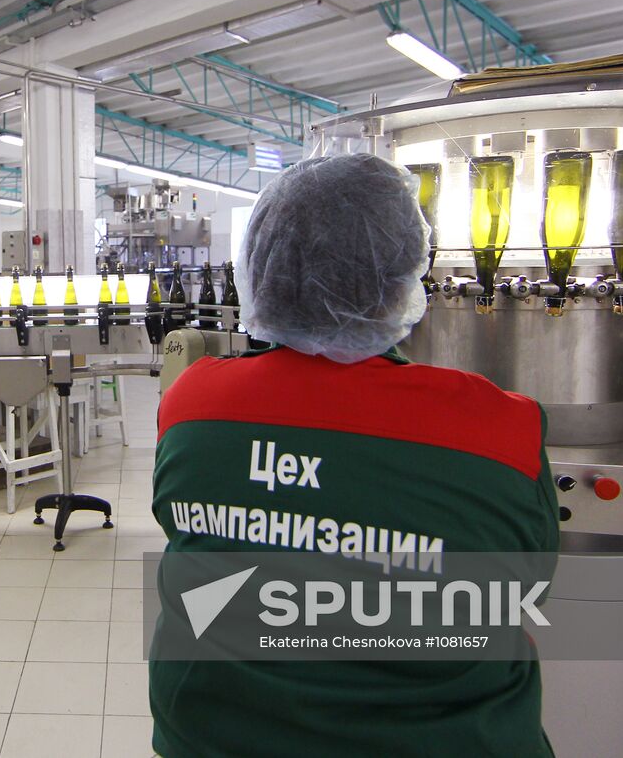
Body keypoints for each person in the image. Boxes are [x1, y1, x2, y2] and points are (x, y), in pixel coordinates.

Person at [150, 154, 559, 758]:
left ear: (261, 269)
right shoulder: (499, 426)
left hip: (215, 738)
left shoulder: (192, 402)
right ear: (404, 276)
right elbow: (527, 592)